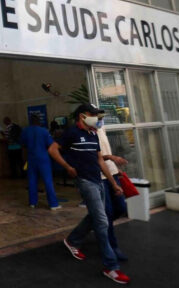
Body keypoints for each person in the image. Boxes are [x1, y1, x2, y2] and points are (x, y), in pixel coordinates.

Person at [48, 104, 130, 285]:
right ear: (82, 116)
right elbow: (53, 150)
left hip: (99, 181)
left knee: (96, 216)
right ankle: (111, 266)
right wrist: (68, 167)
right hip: (85, 181)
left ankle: (72, 240)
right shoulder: (71, 133)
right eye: (93, 115)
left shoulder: (93, 134)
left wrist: (112, 183)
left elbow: (99, 160)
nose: (97, 118)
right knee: (102, 220)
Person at [96, 116, 129, 261]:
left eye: (100, 116)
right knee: (107, 213)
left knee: (121, 207)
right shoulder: (87, 134)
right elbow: (96, 158)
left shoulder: (102, 129)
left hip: (112, 174)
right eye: (96, 116)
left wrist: (116, 169)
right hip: (100, 178)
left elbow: (107, 150)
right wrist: (111, 157)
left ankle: (97, 224)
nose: (99, 119)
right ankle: (112, 246)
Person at [21, 114, 60, 210]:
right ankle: (53, 204)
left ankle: (32, 203)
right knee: (48, 181)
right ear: (39, 121)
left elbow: (22, 144)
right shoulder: (44, 131)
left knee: (32, 181)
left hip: (31, 158)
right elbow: (51, 145)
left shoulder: (25, 131)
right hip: (43, 158)